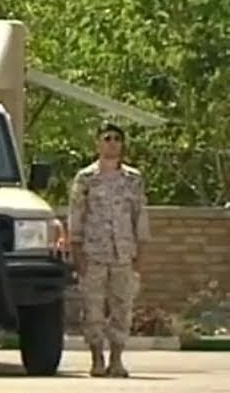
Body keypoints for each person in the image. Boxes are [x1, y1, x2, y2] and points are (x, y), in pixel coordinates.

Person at [68, 122, 150, 378]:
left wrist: (141, 252)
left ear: (122, 144)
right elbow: (76, 215)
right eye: (107, 138)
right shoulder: (86, 178)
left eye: (117, 138)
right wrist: (77, 252)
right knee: (92, 308)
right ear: (98, 143)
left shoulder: (133, 179)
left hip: (123, 254)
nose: (112, 143)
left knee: (122, 307)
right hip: (94, 253)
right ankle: (97, 358)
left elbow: (140, 216)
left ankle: (116, 359)